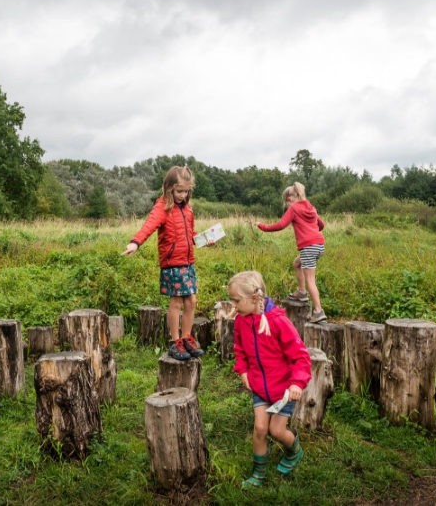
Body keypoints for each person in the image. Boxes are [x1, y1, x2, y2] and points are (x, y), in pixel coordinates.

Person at [228, 270, 312, 488]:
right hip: (260, 387)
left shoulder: (279, 322)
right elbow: (239, 349)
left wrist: (296, 383)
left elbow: (301, 357)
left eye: (236, 300)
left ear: (254, 298)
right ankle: (259, 473)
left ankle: (294, 451)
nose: (233, 305)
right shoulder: (241, 321)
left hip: (284, 390)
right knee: (260, 428)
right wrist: (243, 370)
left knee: (276, 431)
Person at [121, 166, 207, 361]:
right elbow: (148, 226)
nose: (182, 195)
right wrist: (135, 242)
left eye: (185, 191)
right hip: (172, 263)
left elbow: (191, 235)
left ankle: (186, 339)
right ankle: (175, 341)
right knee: (176, 302)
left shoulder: (188, 209)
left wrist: (204, 240)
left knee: (191, 301)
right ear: (169, 188)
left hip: (187, 262)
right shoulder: (162, 207)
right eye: (179, 191)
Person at [256, 182, 327, 323]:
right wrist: (312, 230)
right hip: (319, 244)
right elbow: (322, 225)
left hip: (309, 246)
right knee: (297, 263)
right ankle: (301, 292)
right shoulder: (310, 207)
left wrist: (262, 226)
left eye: (286, 203)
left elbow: (281, 225)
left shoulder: (294, 208)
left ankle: (318, 311)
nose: (287, 206)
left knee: (311, 280)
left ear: (290, 199)